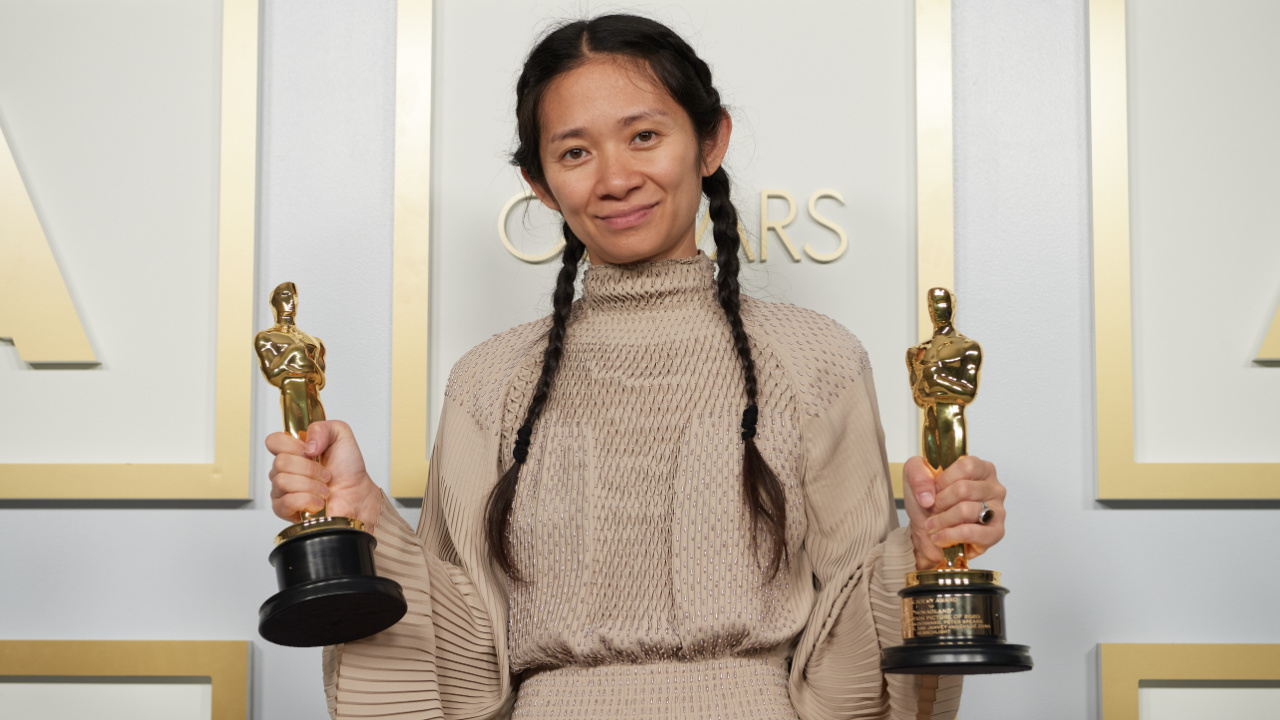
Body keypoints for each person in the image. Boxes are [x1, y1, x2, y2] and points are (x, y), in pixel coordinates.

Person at [266, 15, 1008, 720]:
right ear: (539, 181)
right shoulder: (488, 381)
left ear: (710, 142)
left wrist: (924, 551)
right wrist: (365, 519)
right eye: (575, 152)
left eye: (644, 136)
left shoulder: (817, 359)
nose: (615, 178)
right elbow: (459, 659)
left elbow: (853, 659)